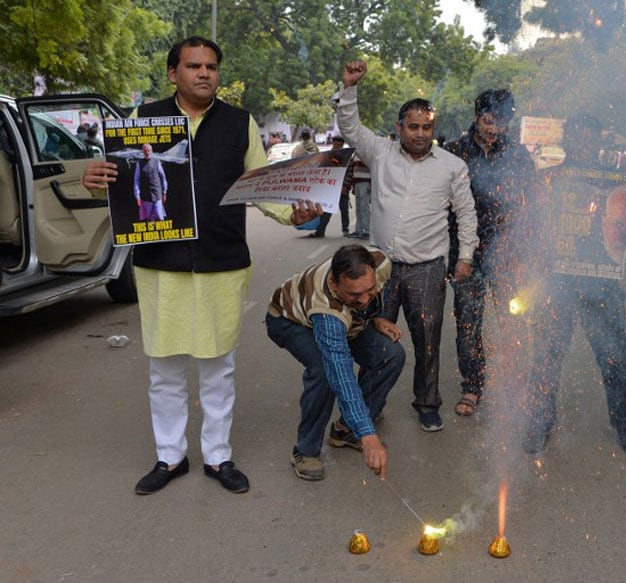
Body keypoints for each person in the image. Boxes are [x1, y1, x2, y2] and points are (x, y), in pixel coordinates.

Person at [82, 36, 321, 495]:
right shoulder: (144, 118)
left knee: (218, 368)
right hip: (160, 265)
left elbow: (259, 185)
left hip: (221, 263)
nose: (204, 73)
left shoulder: (238, 123)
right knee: (165, 369)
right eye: (194, 66)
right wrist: (94, 179)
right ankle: (170, 457)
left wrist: (292, 215)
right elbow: (116, 180)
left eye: (211, 66)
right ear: (173, 73)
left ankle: (218, 456)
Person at [334, 59, 478, 432]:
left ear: (433, 129)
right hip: (379, 269)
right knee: (372, 339)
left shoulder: (451, 166)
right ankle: (368, 405)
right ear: (399, 128)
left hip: (427, 270)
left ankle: (427, 404)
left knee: (427, 341)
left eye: (426, 127)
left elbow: (466, 214)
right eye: (412, 127)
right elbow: (350, 127)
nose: (419, 134)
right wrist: (349, 88)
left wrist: (465, 257)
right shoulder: (380, 153)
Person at [523, 112, 626, 455]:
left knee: (615, 359)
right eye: (576, 137)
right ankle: (540, 422)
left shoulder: (616, 183)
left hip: (603, 286)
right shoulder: (549, 180)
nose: (582, 144)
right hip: (556, 285)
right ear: (566, 140)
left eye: (589, 138)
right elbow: (527, 224)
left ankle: (624, 423)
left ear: (598, 143)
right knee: (547, 357)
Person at [265, 245, 405, 481]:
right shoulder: (326, 311)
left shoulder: (381, 262)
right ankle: (305, 450)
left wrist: (374, 317)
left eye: (369, 290)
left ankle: (346, 430)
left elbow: (374, 292)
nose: (364, 299)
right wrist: (368, 435)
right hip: (289, 320)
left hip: (347, 321)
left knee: (391, 354)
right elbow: (341, 373)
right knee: (324, 371)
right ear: (334, 283)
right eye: (354, 294)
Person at [443, 89, 536, 417]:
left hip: (507, 255)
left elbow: (531, 206)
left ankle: (515, 387)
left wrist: (526, 255)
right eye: (489, 121)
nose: (495, 129)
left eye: (503, 122)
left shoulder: (518, 156)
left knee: (513, 323)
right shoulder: (454, 153)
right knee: (468, 324)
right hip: (465, 255)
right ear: (476, 117)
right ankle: (472, 387)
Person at [308, 136, 353, 238]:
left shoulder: (347, 157)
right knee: (327, 210)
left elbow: (349, 173)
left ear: (342, 144)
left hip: (342, 188)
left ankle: (345, 230)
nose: (337, 146)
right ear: (333, 143)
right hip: (330, 188)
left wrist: (345, 185)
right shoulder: (327, 156)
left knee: (344, 210)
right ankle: (320, 231)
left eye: (339, 145)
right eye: (335, 144)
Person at [134, 143, 168, 221]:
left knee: (159, 215)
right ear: (143, 152)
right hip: (145, 195)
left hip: (157, 193)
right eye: (145, 151)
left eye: (149, 150)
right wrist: (137, 196)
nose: (147, 152)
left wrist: (164, 192)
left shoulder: (157, 162)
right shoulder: (139, 164)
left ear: (151, 151)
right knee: (149, 217)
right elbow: (136, 180)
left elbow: (163, 177)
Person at [347, 154, 372, 239]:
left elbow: (374, 169)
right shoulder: (355, 155)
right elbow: (352, 171)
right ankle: (358, 230)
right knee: (358, 208)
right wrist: (353, 185)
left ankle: (366, 231)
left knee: (364, 207)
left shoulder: (368, 154)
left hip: (366, 182)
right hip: (357, 183)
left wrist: (371, 183)